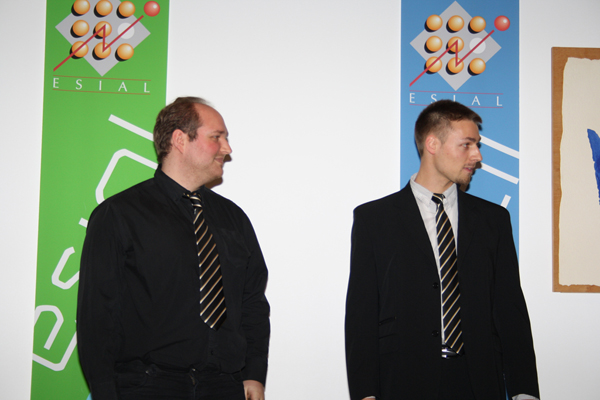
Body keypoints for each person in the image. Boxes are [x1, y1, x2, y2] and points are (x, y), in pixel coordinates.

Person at [77, 97, 270, 400]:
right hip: (146, 387)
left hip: (224, 386)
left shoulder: (234, 219)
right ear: (180, 139)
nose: (227, 149)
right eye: (216, 137)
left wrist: (254, 374)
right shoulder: (118, 215)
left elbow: (253, 302)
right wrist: (104, 392)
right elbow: (97, 316)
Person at [344, 100, 539, 400]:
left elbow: (510, 309)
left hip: (479, 382)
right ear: (432, 144)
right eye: (467, 144)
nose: (477, 155)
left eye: (477, 145)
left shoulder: (494, 220)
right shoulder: (375, 219)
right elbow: (362, 313)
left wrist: (524, 391)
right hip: (402, 381)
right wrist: (365, 393)